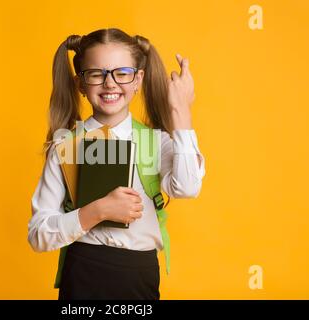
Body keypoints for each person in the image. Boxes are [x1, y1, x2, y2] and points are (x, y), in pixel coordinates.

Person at [28, 28, 206, 300]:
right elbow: (39, 234)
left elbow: (188, 187)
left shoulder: (157, 143)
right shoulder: (66, 146)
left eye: (122, 73)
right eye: (97, 74)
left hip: (139, 275)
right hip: (83, 272)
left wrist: (181, 111)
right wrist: (97, 211)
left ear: (138, 80)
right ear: (81, 84)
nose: (110, 84)